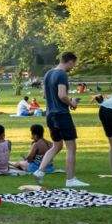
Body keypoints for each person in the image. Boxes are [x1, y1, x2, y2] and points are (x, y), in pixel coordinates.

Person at [34, 52, 87, 187]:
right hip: (61, 114)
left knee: (57, 146)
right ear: (70, 61)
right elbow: (62, 95)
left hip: (50, 115)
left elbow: (45, 95)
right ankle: (70, 180)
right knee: (71, 147)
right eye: (73, 64)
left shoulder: (48, 74)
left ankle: (40, 171)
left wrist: (67, 100)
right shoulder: (62, 74)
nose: (73, 67)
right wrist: (72, 103)